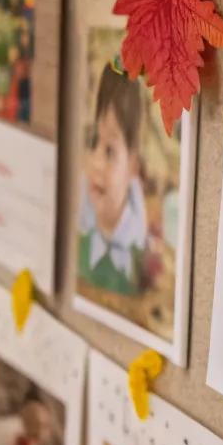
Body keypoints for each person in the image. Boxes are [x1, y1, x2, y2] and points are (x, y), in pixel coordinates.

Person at [78, 63, 148, 296]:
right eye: (93, 142)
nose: (96, 162)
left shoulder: (143, 261)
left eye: (110, 151)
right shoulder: (79, 240)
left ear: (132, 167)